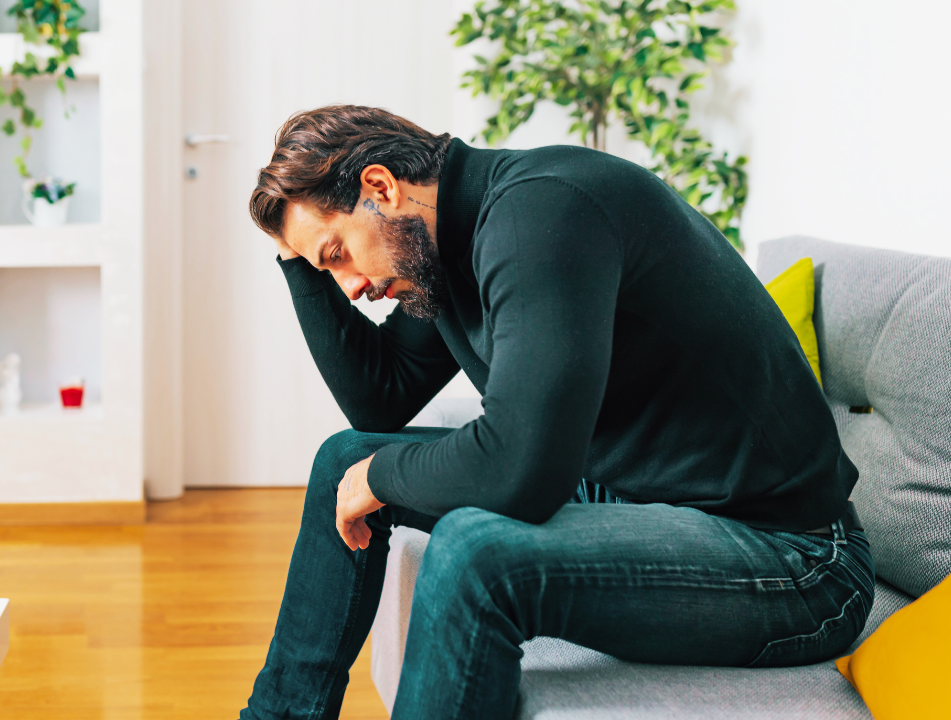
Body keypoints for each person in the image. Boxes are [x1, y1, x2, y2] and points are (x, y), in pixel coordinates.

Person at [239, 105, 873, 720]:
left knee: (473, 554)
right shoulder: (446, 241)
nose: (349, 286)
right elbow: (379, 396)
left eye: (336, 253)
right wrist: (295, 256)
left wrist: (382, 479)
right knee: (342, 459)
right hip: (638, 496)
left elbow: (521, 469)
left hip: (795, 559)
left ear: (381, 186)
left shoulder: (543, 216)